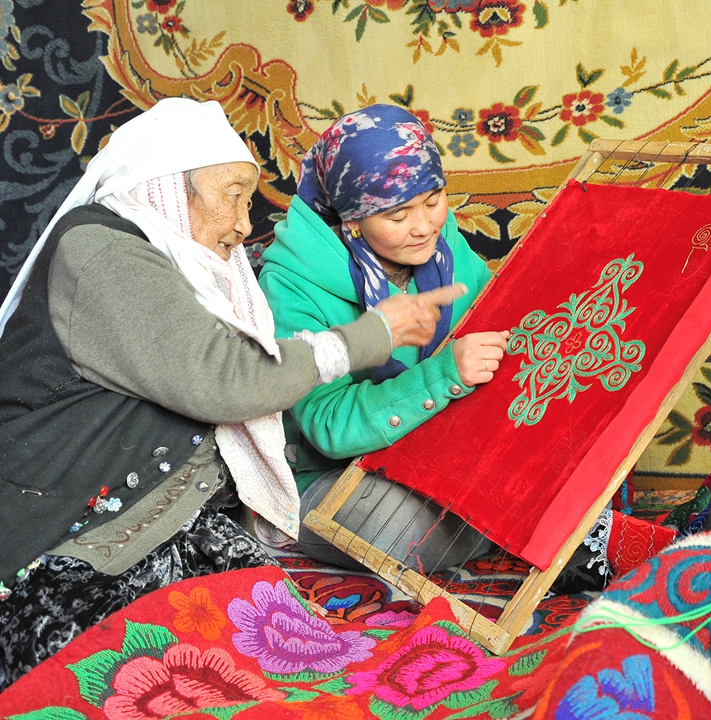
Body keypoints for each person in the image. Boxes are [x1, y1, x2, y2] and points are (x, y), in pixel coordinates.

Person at [0, 97, 463, 690]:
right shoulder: (100, 250)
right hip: (66, 532)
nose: (246, 225)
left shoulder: (186, 259)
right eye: (234, 195)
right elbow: (229, 380)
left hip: (172, 516)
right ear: (169, 188)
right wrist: (377, 334)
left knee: (294, 662)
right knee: (119, 679)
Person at [259, 105, 507, 572]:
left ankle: (515, 522)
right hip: (335, 473)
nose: (424, 225)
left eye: (434, 199)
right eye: (397, 215)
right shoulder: (291, 280)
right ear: (352, 218)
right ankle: (528, 532)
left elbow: (493, 319)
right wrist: (445, 373)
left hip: (444, 447)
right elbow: (327, 427)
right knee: (395, 530)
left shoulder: (438, 239)